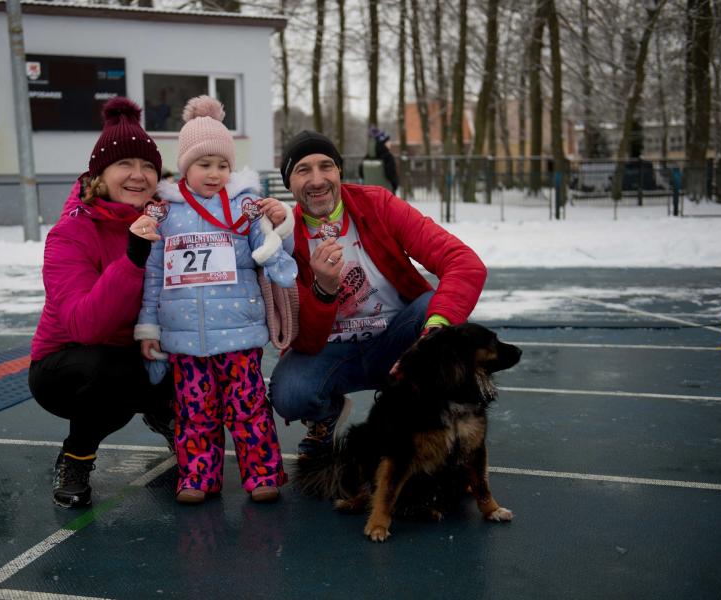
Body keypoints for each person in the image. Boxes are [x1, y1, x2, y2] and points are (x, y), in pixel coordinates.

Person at [269, 130, 487, 460]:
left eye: (326, 166)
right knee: (288, 393)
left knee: (436, 312)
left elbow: (464, 262)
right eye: (303, 170)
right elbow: (307, 341)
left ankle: (422, 417)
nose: (317, 180)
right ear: (288, 182)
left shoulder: (377, 204)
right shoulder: (284, 237)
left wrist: (436, 329)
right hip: (332, 350)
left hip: (396, 339)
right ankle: (325, 414)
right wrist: (324, 289)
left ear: (339, 170)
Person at [136, 96, 297, 504]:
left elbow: (269, 243)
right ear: (184, 166)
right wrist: (149, 326)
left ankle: (262, 474)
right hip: (184, 337)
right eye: (204, 164)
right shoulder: (165, 214)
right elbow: (154, 275)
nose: (214, 173)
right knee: (194, 412)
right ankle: (197, 477)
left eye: (222, 165)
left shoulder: (245, 206)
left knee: (249, 409)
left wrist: (277, 256)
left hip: (239, 334)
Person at [29, 97, 176, 509]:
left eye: (148, 165)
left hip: (142, 350)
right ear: (99, 174)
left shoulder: (167, 220)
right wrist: (132, 258)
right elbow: (84, 326)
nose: (138, 174)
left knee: (204, 353)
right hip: (68, 367)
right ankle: (76, 457)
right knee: (114, 370)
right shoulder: (70, 233)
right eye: (124, 164)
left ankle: (164, 411)